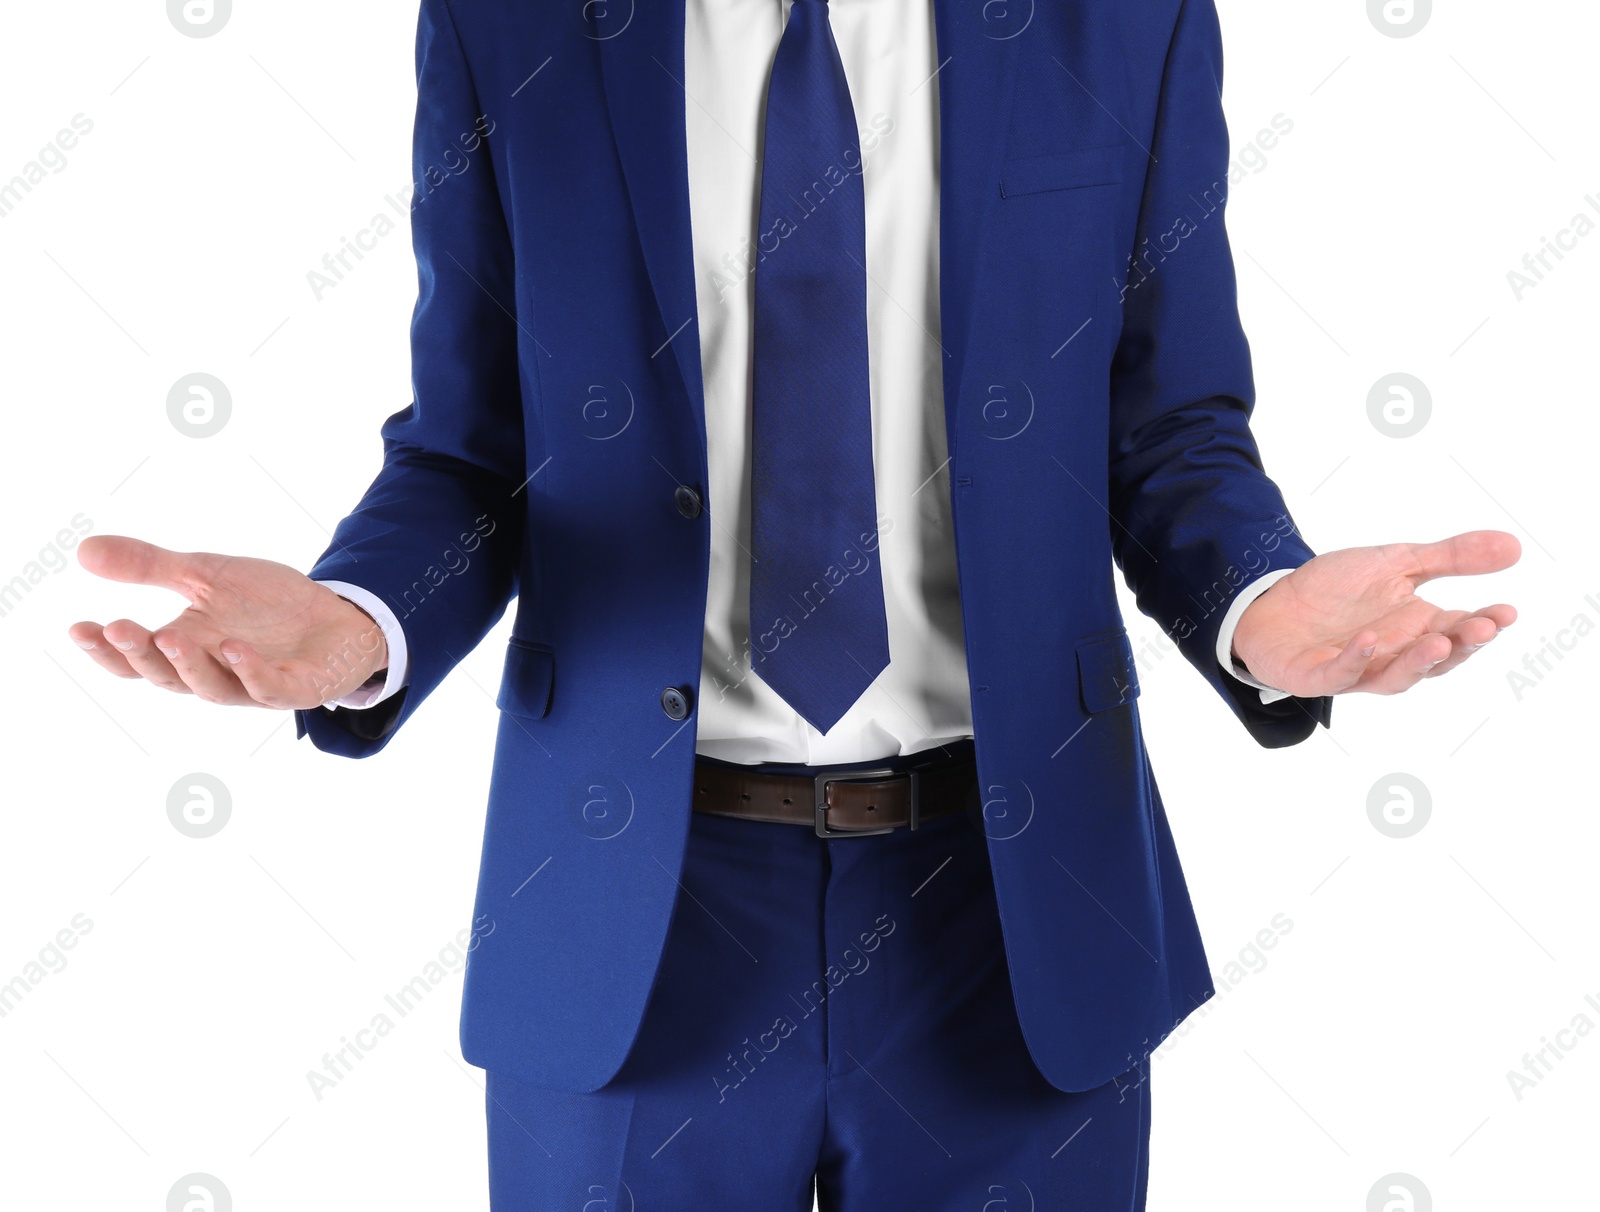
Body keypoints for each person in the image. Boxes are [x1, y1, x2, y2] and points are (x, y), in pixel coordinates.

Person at [68, 0, 1519, 1206]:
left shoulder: (1122, 19)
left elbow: (1164, 430)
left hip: (1012, 919)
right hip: (638, 916)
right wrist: (361, 619)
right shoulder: (510, 26)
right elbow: (479, 449)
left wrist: (1254, 601)